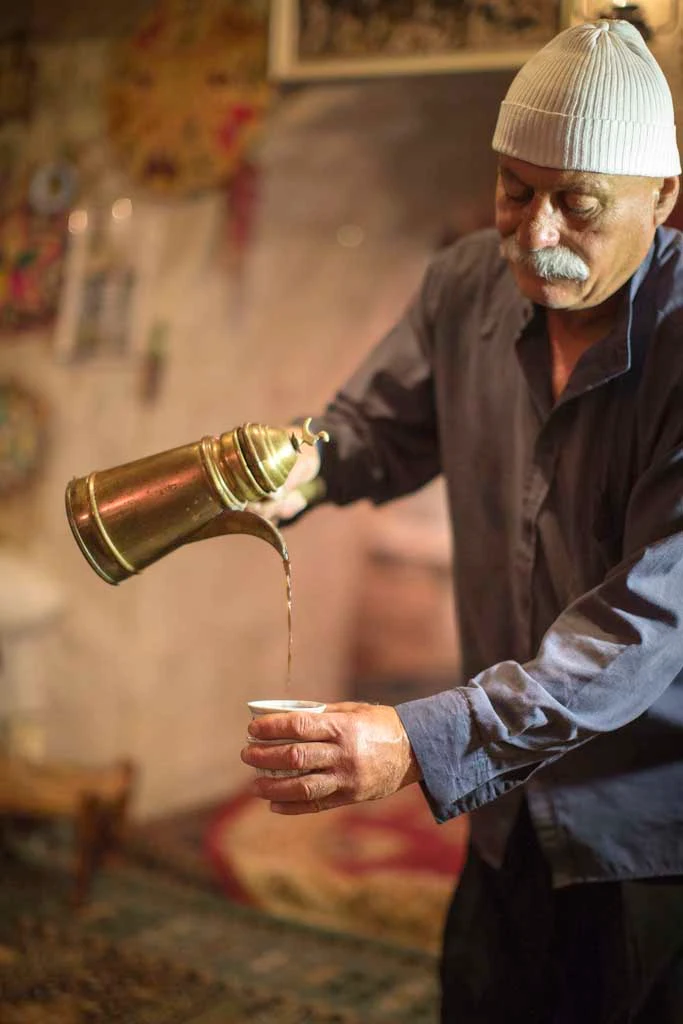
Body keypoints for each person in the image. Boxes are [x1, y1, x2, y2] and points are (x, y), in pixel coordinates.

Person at [241, 19, 683, 1023]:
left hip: (649, 834)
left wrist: (417, 740)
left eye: (575, 206)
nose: (533, 235)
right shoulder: (464, 288)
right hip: (504, 817)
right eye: (512, 192)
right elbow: (372, 430)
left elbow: (642, 629)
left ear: (660, 197)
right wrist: (292, 468)